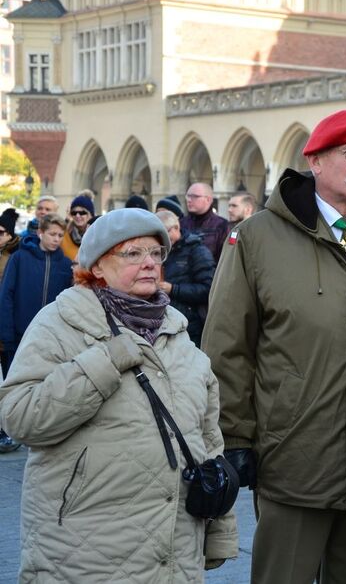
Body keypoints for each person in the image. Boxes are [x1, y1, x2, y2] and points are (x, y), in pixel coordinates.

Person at [203, 109, 346, 584]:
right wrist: (235, 437)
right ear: (316, 161)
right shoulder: (258, 238)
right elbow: (227, 345)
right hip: (294, 459)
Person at [0, 208, 237, 581]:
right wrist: (105, 361)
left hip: (175, 555)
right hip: (85, 554)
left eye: (156, 253)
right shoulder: (59, 323)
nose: (150, 263)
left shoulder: (179, 332)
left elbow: (207, 440)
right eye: (133, 253)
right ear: (97, 266)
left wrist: (219, 529)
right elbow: (20, 416)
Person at [0, 213, 72, 374]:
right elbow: (6, 296)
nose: (56, 239)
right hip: (19, 336)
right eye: (52, 234)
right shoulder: (19, 258)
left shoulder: (65, 264)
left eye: (60, 235)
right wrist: (6, 335)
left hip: (51, 339)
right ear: (40, 232)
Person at [156, 210, 215, 347]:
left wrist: (173, 289)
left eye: (164, 233)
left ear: (176, 228)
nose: (160, 238)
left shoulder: (197, 251)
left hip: (191, 325)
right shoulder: (161, 251)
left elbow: (208, 289)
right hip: (164, 322)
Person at [0, 207, 21, 452]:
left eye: (1, 232)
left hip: (8, 327)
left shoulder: (15, 257)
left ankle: (8, 430)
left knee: (9, 381)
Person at [181, 182, 229, 263]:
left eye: (195, 196)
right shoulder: (181, 223)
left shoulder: (222, 225)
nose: (189, 200)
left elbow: (225, 259)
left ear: (208, 199)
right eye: (188, 196)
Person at [61, 194, 95, 261]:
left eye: (82, 212)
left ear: (91, 214)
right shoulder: (63, 234)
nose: (77, 215)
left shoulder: (98, 235)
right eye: (74, 212)